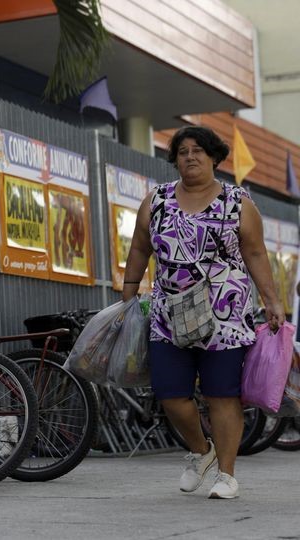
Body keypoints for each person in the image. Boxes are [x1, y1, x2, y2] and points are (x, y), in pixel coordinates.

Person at [121, 125, 285, 500]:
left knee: (222, 394)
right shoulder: (157, 200)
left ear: (214, 157)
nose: (190, 157)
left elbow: (256, 254)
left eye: (198, 150)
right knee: (169, 393)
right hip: (168, 314)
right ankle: (201, 451)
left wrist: (272, 301)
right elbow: (139, 249)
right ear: (174, 159)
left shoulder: (237, 202)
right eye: (182, 151)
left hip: (225, 315)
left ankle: (226, 474)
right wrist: (128, 295)